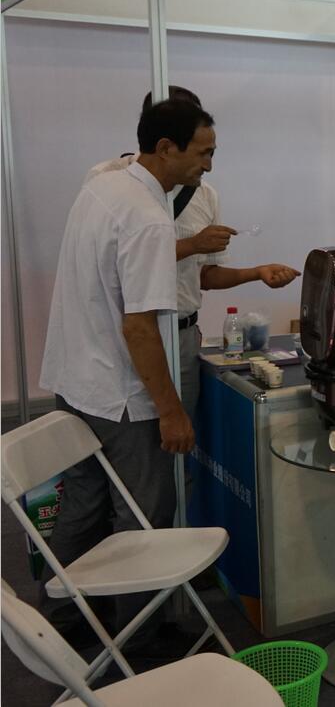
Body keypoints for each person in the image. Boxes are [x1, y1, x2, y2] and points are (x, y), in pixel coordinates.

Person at [39, 100, 218, 653]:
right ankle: (139, 636)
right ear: (165, 148)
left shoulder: (103, 185)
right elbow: (139, 326)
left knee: (84, 499)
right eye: (202, 153)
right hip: (120, 394)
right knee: (144, 514)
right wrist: (171, 410)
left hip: (78, 379)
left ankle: (60, 620)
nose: (208, 165)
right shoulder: (146, 216)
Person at [84, 87, 300, 419]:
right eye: (203, 151)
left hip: (183, 334)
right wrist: (192, 244)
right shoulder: (110, 182)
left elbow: (204, 276)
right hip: (125, 335)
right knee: (143, 430)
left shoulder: (204, 193)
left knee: (180, 434)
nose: (208, 165)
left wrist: (257, 273)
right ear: (164, 141)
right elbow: (120, 262)